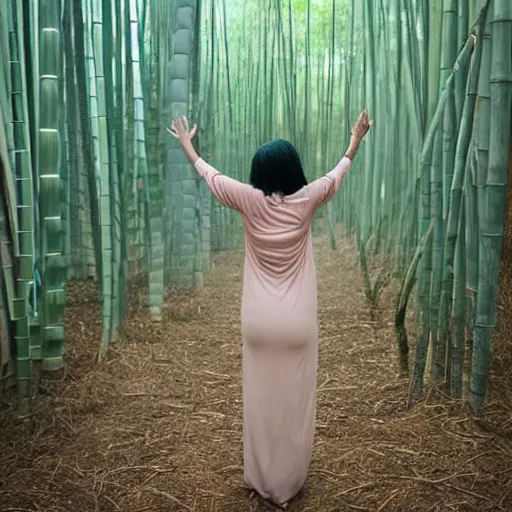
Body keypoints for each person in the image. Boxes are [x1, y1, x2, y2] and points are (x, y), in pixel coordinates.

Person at [167, 110, 373, 508]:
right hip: (297, 325)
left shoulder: (247, 200)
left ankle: (262, 480)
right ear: (295, 170)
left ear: (258, 173)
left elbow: (209, 174)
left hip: (258, 324)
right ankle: (289, 482)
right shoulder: (308, 198)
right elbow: (338, 172)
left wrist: (188, 145)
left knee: (260, 400)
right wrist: (356, 138)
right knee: (294, 401)